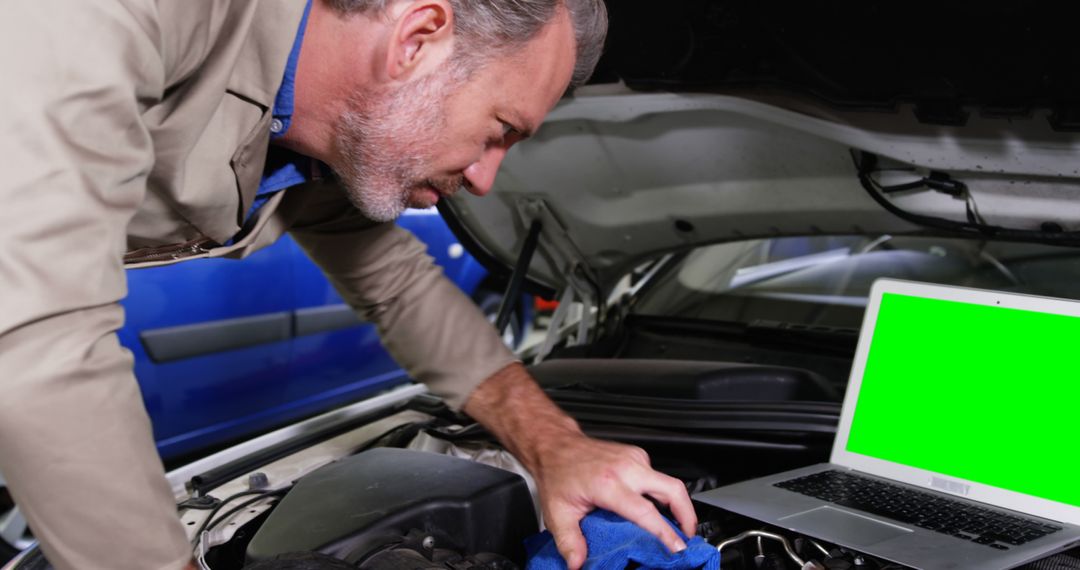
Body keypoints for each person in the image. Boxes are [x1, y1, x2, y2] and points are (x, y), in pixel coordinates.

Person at [0, 1, 697, 569]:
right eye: (500, 130)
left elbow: (396, 284)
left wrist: (553, 444)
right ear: (418, 38)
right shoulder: (112, 14)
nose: (486, 179)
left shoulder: (312, 130)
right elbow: (39, 335)